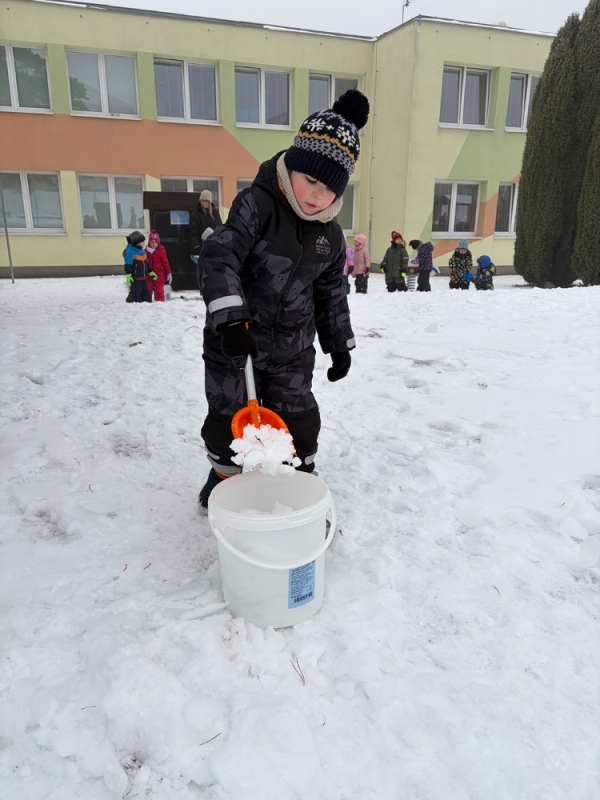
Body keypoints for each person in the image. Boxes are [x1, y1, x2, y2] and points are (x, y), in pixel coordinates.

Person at [196, 89, 370, 508]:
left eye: (329, 189)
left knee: (299, 418)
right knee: (227, 417)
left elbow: (331, 294)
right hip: (236, 343)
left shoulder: (330, 236)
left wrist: (339, 344)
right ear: (292, 167)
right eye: (310, 180)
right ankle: (223, 477)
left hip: (293, 350)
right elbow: (220, 257)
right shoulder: (257, 206)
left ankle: (299, 485)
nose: (316, 195)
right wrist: (230, 319)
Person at [124, 231, 155, 303]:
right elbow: (128, 264)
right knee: (136, 295)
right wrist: (128, 274)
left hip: (144, 278)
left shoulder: (142, 252)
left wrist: (150, 272)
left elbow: (146, 263)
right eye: (142, 242)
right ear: (137, 243)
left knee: (146, 295)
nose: (144, 243)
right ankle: (135, 306)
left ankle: (148, 306)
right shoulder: (130, 252)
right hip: (136, 279)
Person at [190, 190, 223, 256]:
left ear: (209, 202)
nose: (204, 203)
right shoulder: (195, 214)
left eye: (206, 201)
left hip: (214, 246)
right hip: (202, 247)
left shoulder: (215, 213)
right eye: (202, 200)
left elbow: (220, 228)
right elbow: (194, 231)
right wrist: (196, 246)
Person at [145, 229, 172, 302]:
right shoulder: (146, 251)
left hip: (159, 275)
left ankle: (160, 303)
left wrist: (168, 273)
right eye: (152, 242)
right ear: (149, 242)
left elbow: (165, 263)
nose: (154, 244)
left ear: (158, 242)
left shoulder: (161, 250)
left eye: (155, 242)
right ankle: (147, 304)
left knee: (159, 291)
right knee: (148, 290)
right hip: (149, 276)